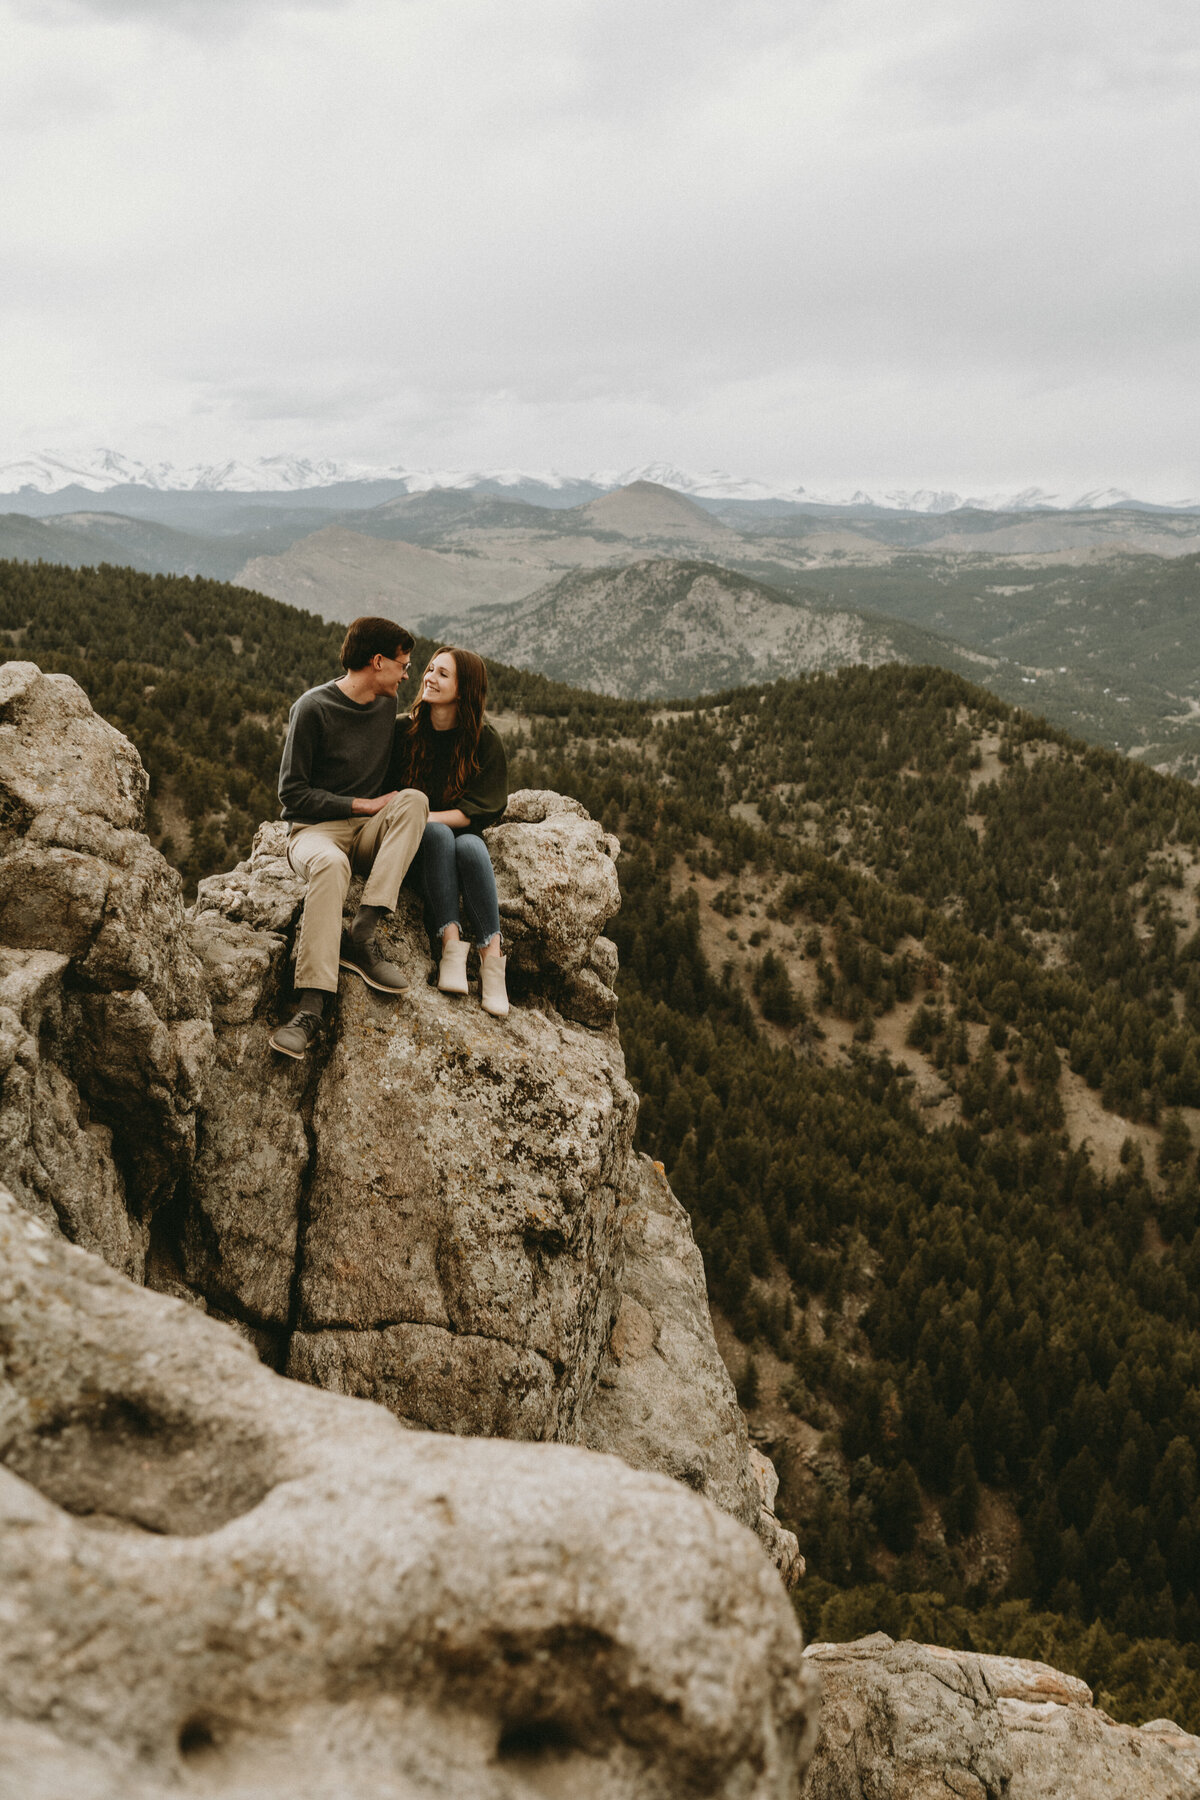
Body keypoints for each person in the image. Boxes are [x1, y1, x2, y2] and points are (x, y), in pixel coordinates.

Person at [270, 616, 429, 1059]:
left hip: (366, 835)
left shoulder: (384, 705)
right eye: (402, 664)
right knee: (330, 864)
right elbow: (292, 794)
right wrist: (361, 804)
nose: (406, 673)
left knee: (415, 800)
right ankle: (311, 1006)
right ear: (377, 662)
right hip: (314, 831)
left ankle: (362, 932)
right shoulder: (312, 708)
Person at [394, 645, 510, 1017]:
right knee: (441, 836)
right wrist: (418, 821)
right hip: (408, 852)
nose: (428, 678)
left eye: (442, 674)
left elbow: (480, 807)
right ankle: (450, 947)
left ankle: (491, 964)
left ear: (465, 689)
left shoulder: (483, 740)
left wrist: (424, 815)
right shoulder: (403, 731)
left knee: (473, 847)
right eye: (429, 669)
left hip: (448, 844)